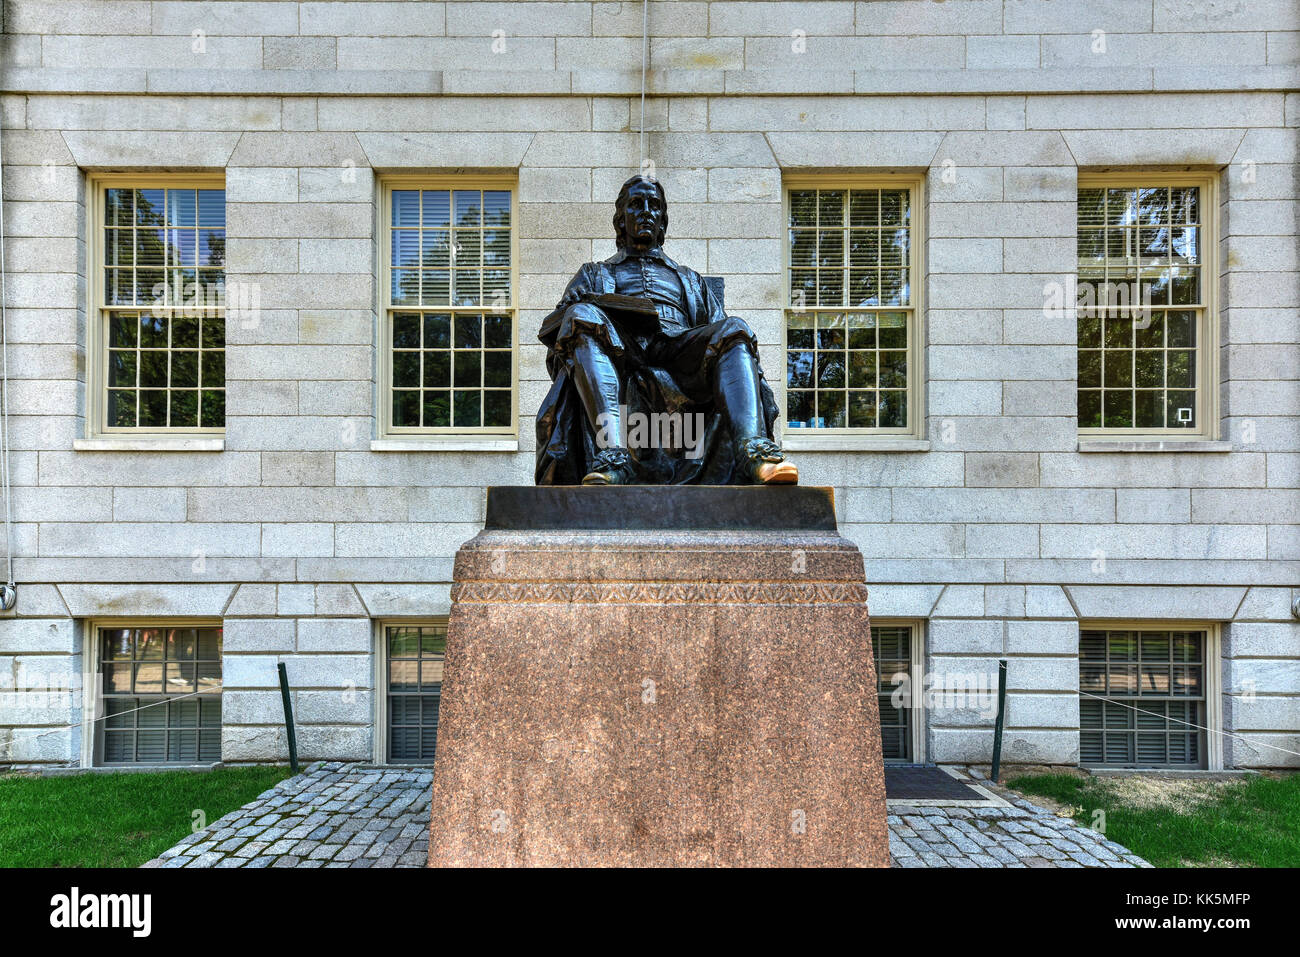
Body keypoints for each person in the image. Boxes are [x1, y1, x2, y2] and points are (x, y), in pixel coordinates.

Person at [535, 174, 798, 487]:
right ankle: (612, 458)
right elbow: (559, 347)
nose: (646, 211)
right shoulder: (594, 274)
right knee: (580, 314)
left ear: (663, 221)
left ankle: (755, 454)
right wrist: (571, 308)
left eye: (654, 206)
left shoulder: (690, 279)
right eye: (636, 204)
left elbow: (720, 335)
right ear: (620, 221)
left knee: (735, 329)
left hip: (679, 350)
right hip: (620, 351)